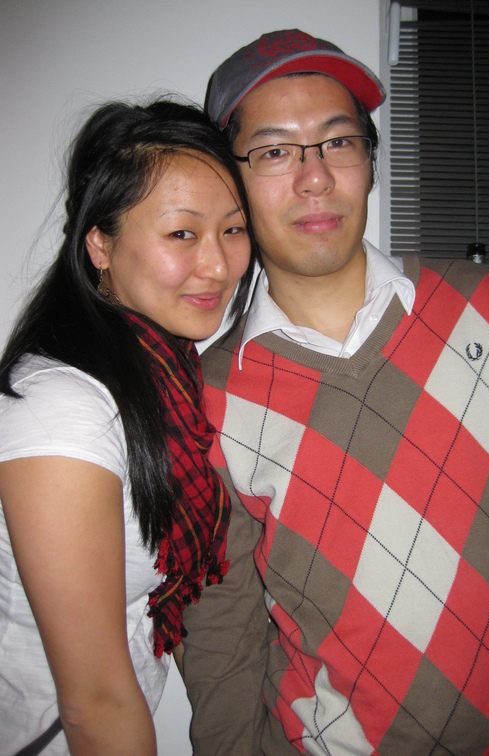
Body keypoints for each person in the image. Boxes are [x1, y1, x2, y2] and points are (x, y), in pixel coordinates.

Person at [180, 28, 489, 755]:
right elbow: (222, 630)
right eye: (274, 152)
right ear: (229, 182)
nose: (314, 178)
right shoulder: (209, 400)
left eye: (337, 142)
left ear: (369, 161)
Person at [0, 98, 255, 755]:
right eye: (182, 234)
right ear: (100, 245)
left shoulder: (166, 377)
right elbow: (95, 703)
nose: (219, 265)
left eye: (233, 229)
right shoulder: (61, 408)